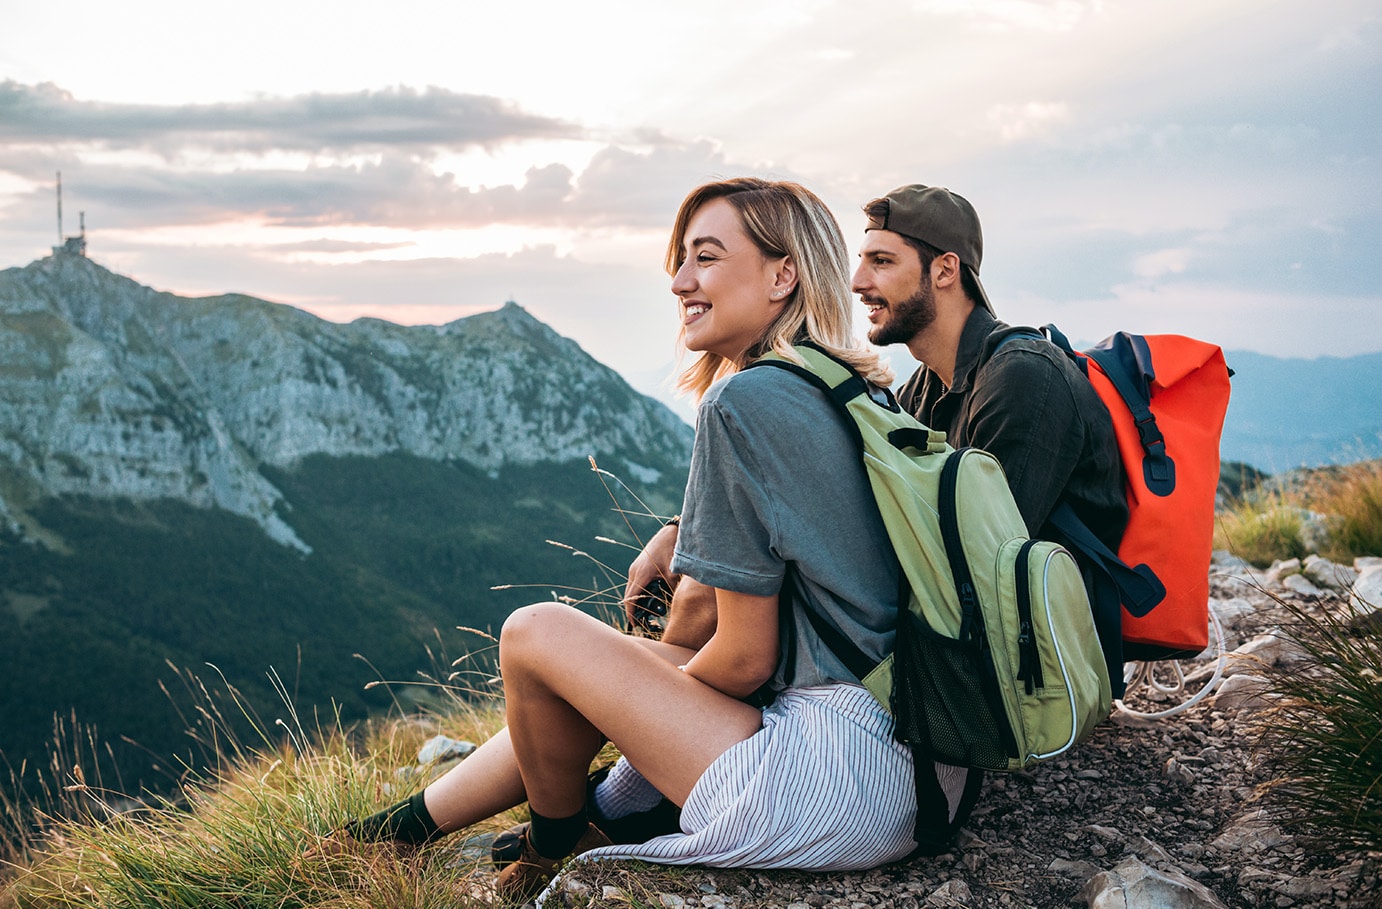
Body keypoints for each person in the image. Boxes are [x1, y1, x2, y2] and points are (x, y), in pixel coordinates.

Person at [330, 177, 936, 901]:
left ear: (784, 274)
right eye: (679, 261)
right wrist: (679, 542)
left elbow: (745, 658)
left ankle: (561, 835)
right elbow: (739, 592)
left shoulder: (743, 399)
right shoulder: (850, 387)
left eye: (705, 258)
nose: (680, 281)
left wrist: (626, 743)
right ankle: (397, 833)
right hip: (916, 768)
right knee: (618, 664)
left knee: (535, 634)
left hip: (834, 781)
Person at [612, 182, 1131, 846]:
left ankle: (651, 764)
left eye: (883, 261)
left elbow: (971, 570)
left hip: (1033, 668)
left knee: (749, 618)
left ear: (946, 269)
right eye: (860, 261)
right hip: (969, 659)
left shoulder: (1022, 379)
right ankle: (655, 760)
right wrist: (686, 529)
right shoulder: (917, 391)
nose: (858, 281)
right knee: (726, 599)